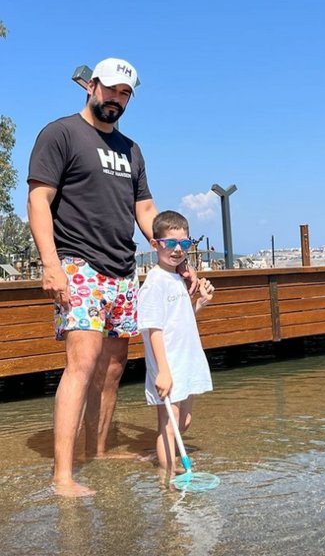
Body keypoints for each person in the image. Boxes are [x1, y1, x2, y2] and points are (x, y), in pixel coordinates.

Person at [27, 58, 196, 497]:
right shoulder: (61, 134)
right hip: (78, 264)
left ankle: (97, 451)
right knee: (82, 364)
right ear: (92, 86)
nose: (116, 99)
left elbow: (146, 210)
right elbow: (39, 199)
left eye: (125, 93)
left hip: (123, 270)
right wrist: (50, 264)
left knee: (113, 369)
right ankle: (62, 476)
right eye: (111, 89)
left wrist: (177, 255)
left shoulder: (131, 150)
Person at [137, 210, 214, 482]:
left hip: (187, 360)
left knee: (184, 421)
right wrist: (163, 371)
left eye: (184, 243)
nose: (178, 249)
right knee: (169, 426)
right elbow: (154, 329)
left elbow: (179, 320)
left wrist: (199, 304)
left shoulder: (177, 279)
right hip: (169, 364)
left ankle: (163, 459)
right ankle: (167, 478)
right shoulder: (155, 283)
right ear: (155, 244)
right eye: (170, 243)